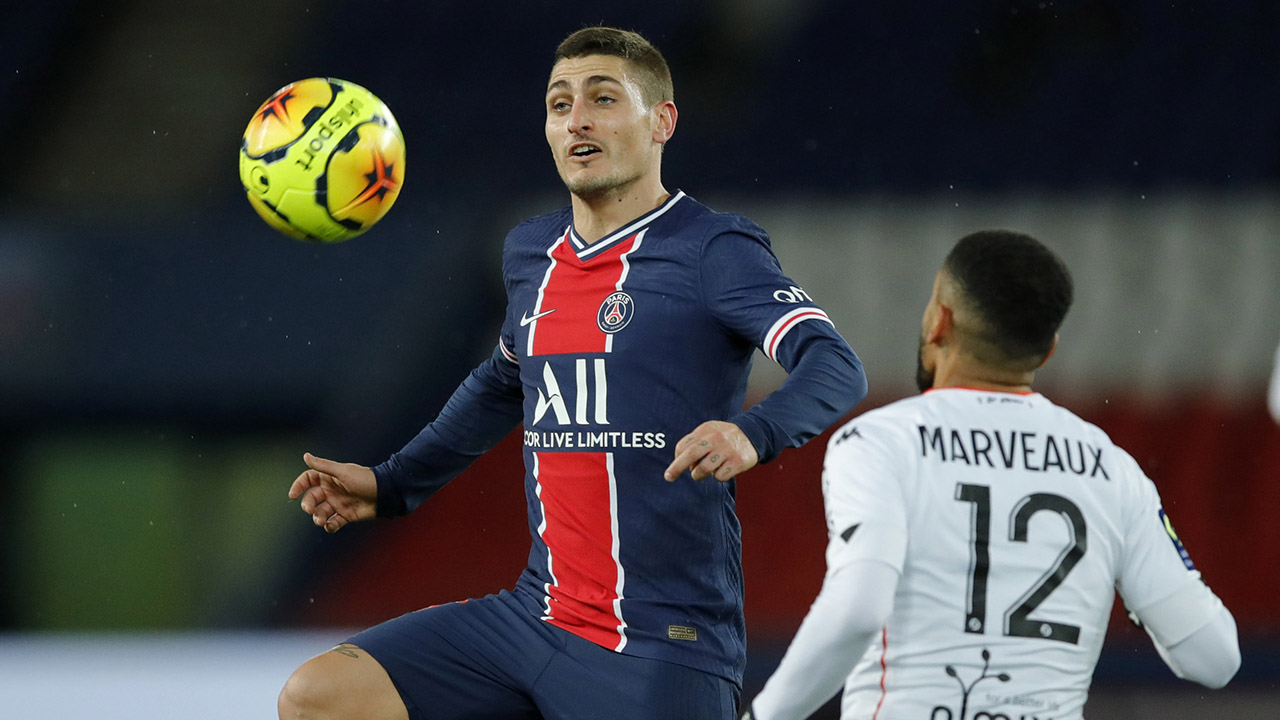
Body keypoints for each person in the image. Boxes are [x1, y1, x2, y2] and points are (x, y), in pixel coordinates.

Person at [278, 25, 867, 720]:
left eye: (603, 98)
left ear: (662, 122)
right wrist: (392, 483)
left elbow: (834, 363)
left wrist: (752, 433)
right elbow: (502, 384)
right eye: (560, 104)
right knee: (318, 697)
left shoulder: (714, 248)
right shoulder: (531, 252)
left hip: (663, 641)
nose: (577, 119)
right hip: (533, 618)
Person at [742, 231, 1240, 720]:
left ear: (940, 321)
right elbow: (1214, 658)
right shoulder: (1110, 469)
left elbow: (858, 610)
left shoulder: (882, 442)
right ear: (1048, 350)